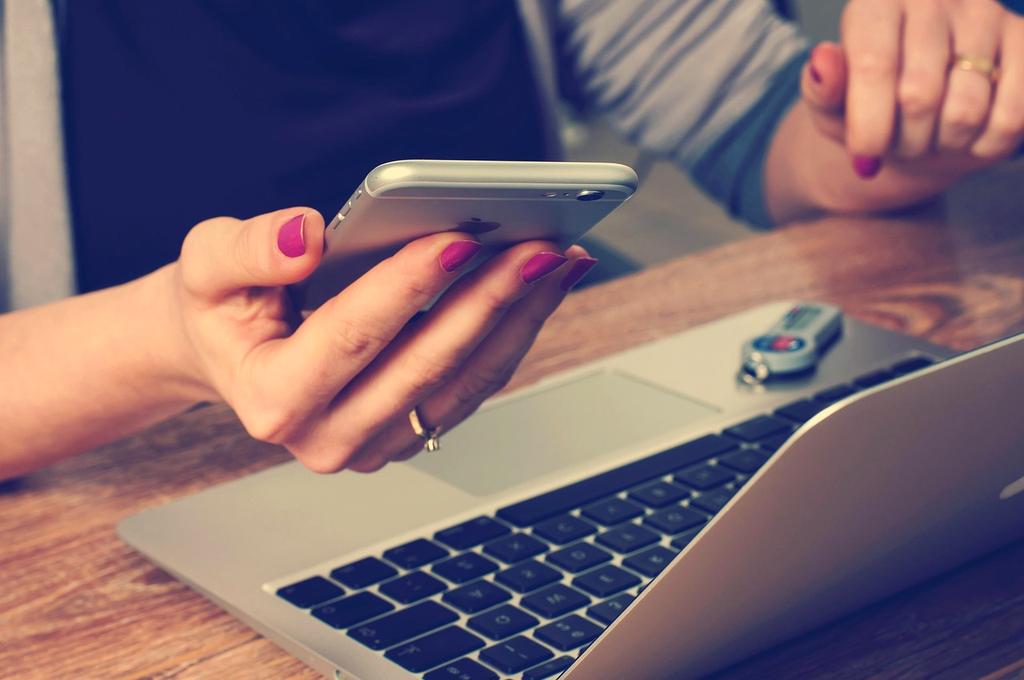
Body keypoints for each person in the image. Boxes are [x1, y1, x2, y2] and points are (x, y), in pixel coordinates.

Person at [1, 0, 1021, 481]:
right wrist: (167, 341)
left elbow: (755, 125)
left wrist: (894, 121)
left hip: (522, 447)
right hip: (108, 518)